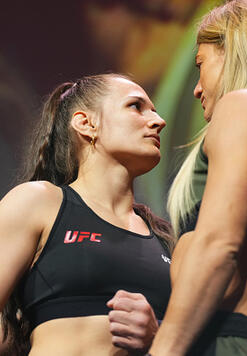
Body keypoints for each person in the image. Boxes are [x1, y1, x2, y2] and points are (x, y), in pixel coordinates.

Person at [0, 73, 174, 355]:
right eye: (135, 106)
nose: (158, 121)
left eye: (154, 110)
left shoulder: (166, 240)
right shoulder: (40, 202)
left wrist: (158, 334)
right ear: (86, 123)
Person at [148, 0, 247, 355]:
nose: (195, 88)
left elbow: (218, 247)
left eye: (200, 65)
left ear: (235, 51)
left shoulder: (246, 107)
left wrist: (164, 348)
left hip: (233, 340)